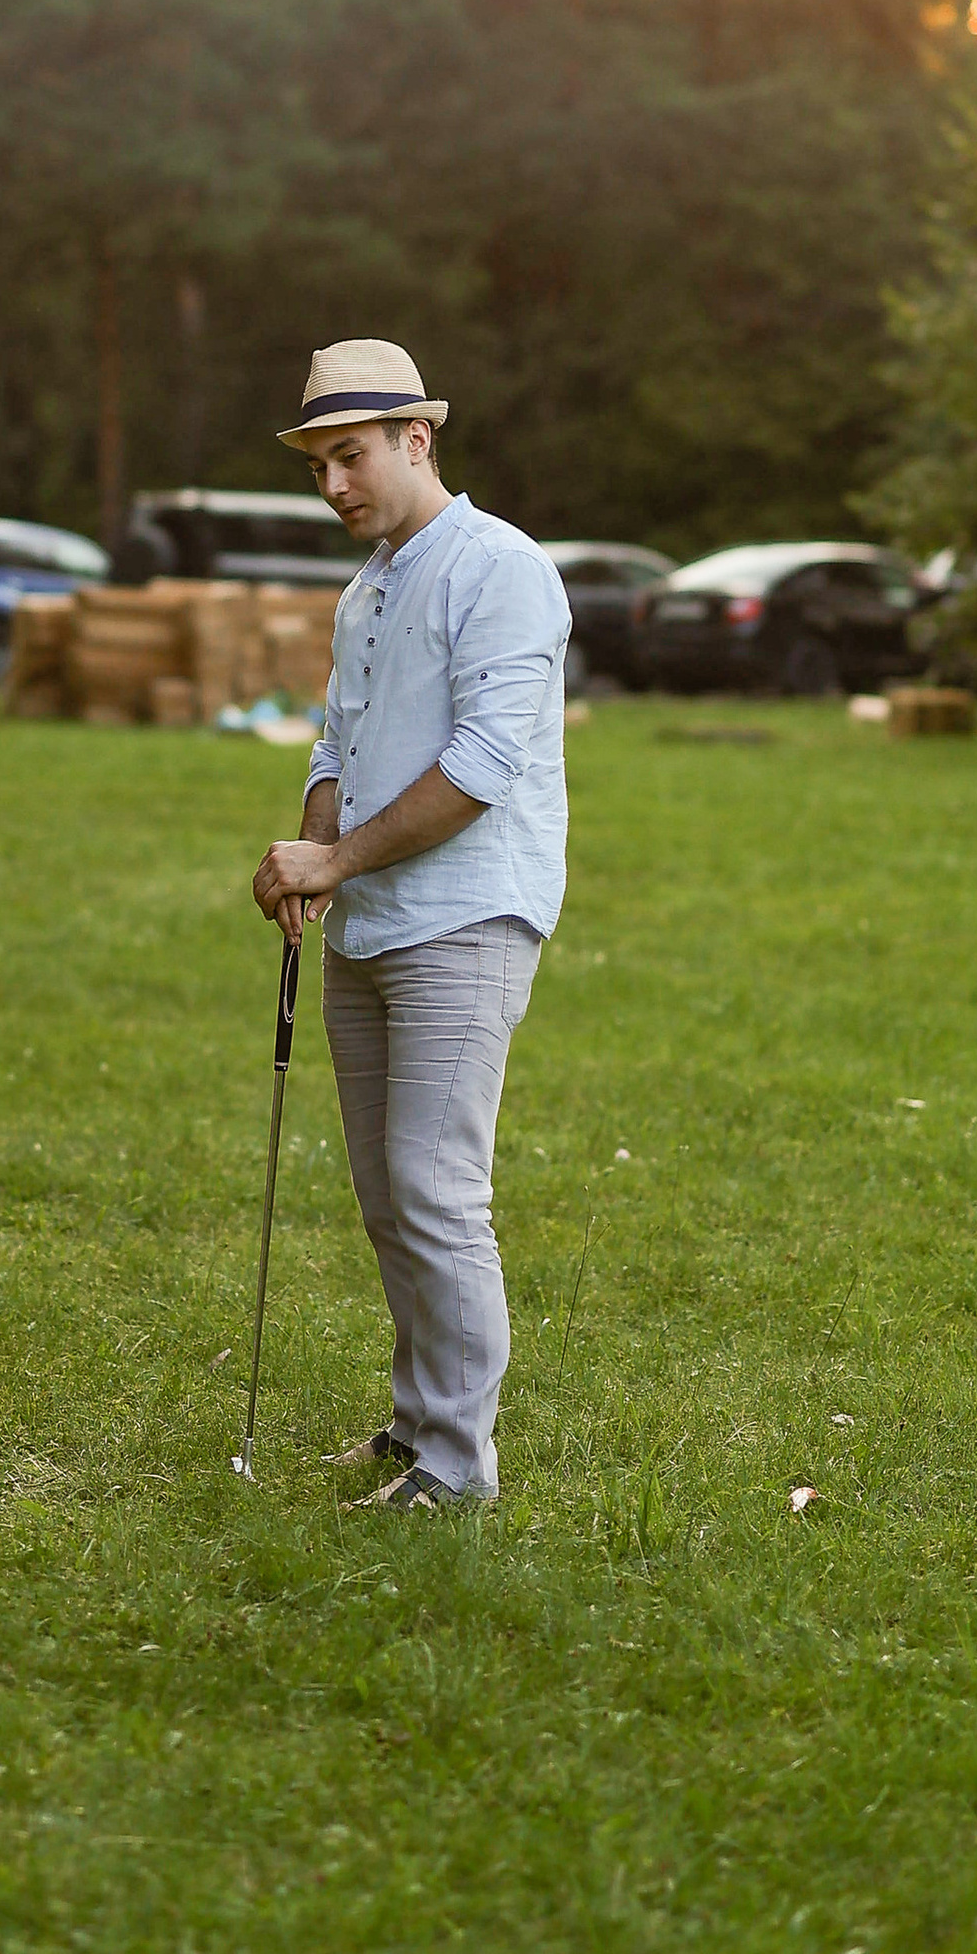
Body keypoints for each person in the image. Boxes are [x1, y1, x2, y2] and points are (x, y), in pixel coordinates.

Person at [251, 340, 569, 1515]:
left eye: (353, 458)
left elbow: (481, 766)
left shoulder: (502, 569)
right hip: (369, 922)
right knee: (390, 1196)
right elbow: (337, 747)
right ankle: (416, 1427)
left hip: (468, 917)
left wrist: (335, 853)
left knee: (437, 1190)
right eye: (319, 465)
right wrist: (311, 856)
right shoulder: (366, 586)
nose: (335, 485)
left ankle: (459, 1471)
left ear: (415, 440)